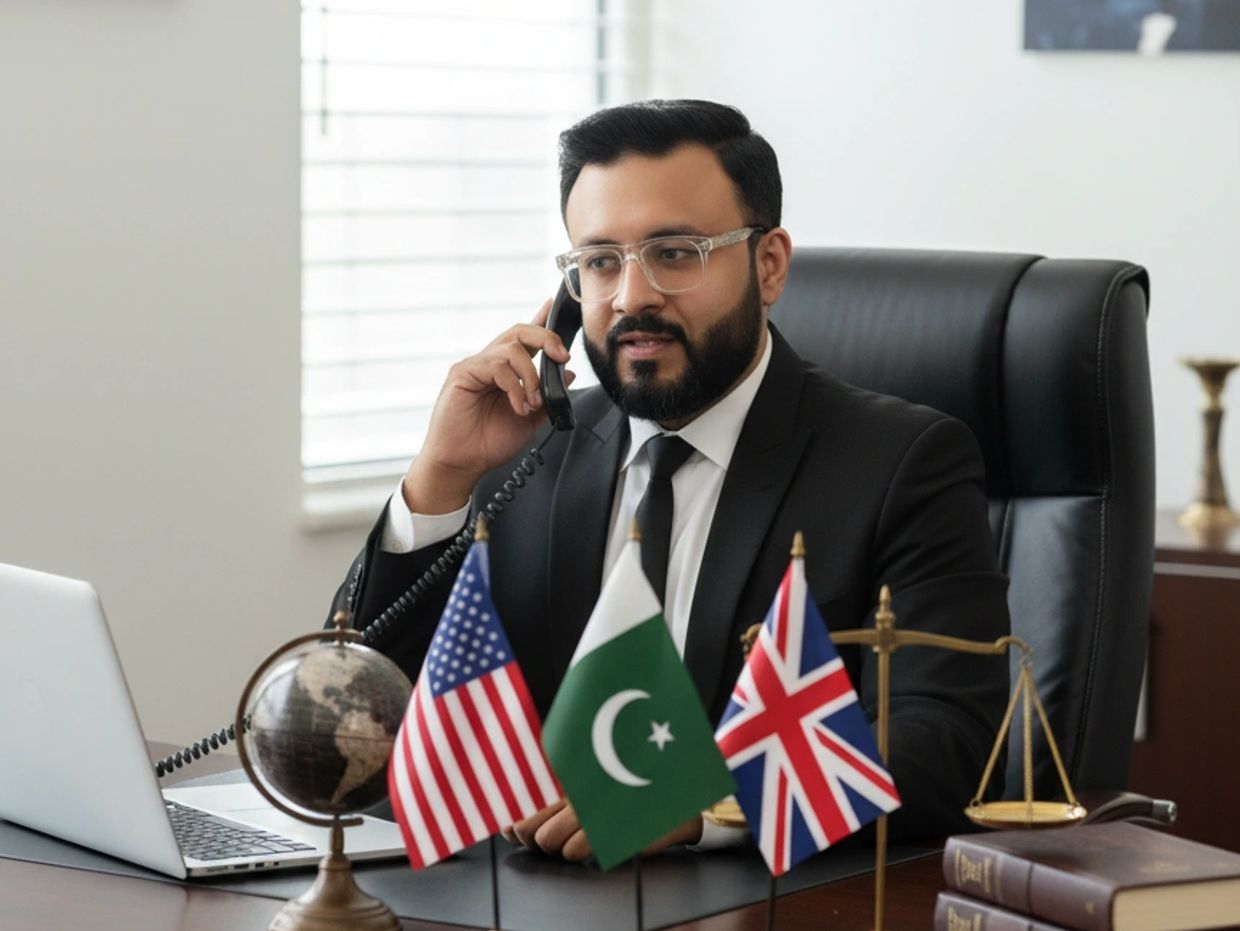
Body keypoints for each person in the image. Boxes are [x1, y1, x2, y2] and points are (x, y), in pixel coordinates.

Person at [330, 99, 1010, 862]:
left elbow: (949, 740)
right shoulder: (526, 455)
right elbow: (353, 717)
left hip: (765, 902)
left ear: (769, 264)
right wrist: (439, 479)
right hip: (532, 896)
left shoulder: (902, 463)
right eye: (600, 261)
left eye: (676, 253)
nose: (632, 296)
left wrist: (706, 800)